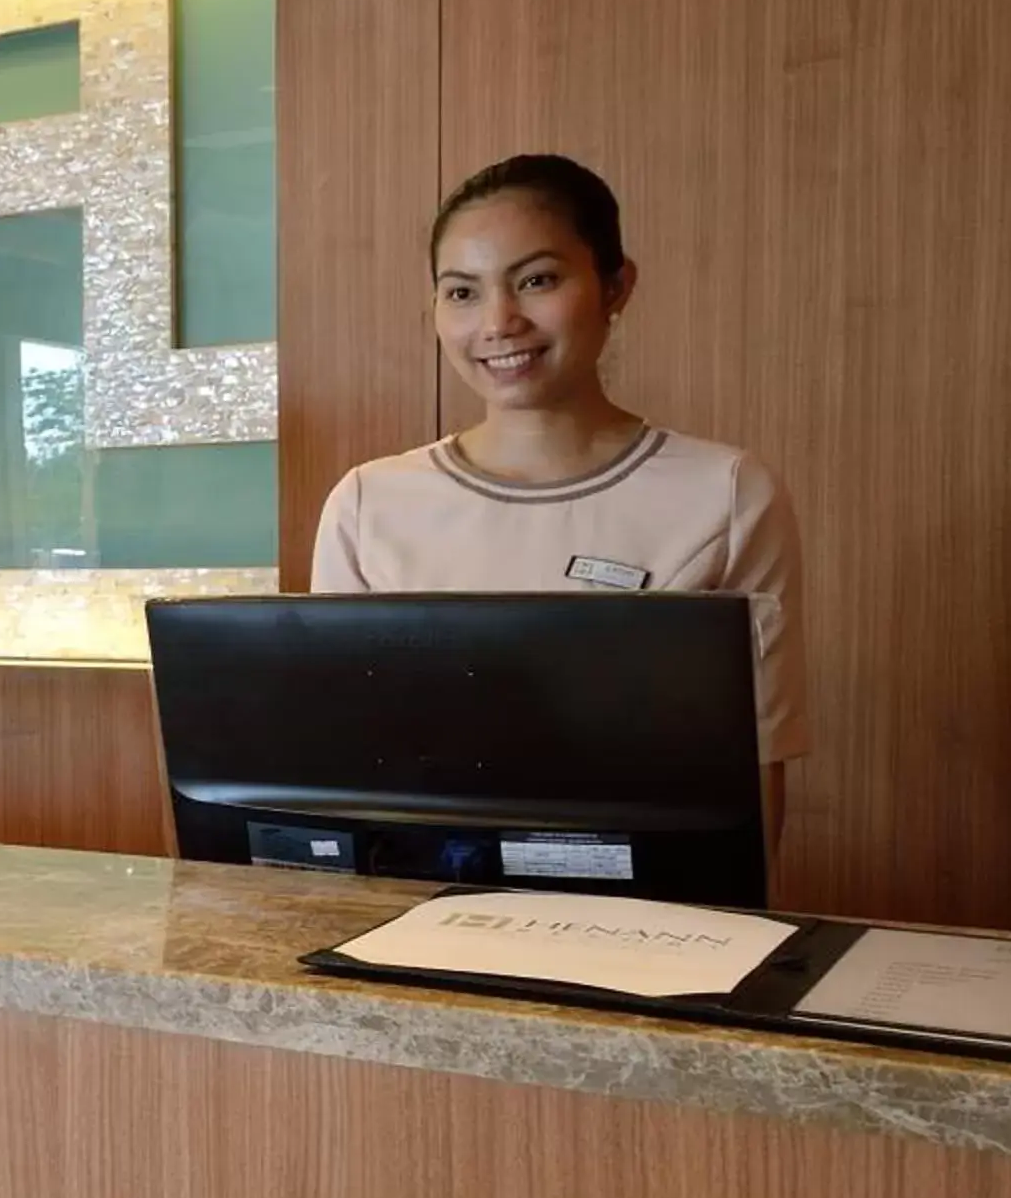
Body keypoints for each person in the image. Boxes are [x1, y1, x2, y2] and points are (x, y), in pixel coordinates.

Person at [311, 153, 809, 838]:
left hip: (645, 916)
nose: (498, 322)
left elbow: (754, 768)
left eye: (536, 280)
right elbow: (340, 764)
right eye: (462, 292)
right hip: (415, 908)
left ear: (614, 286)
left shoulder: (724, 493)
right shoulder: (370, 504)